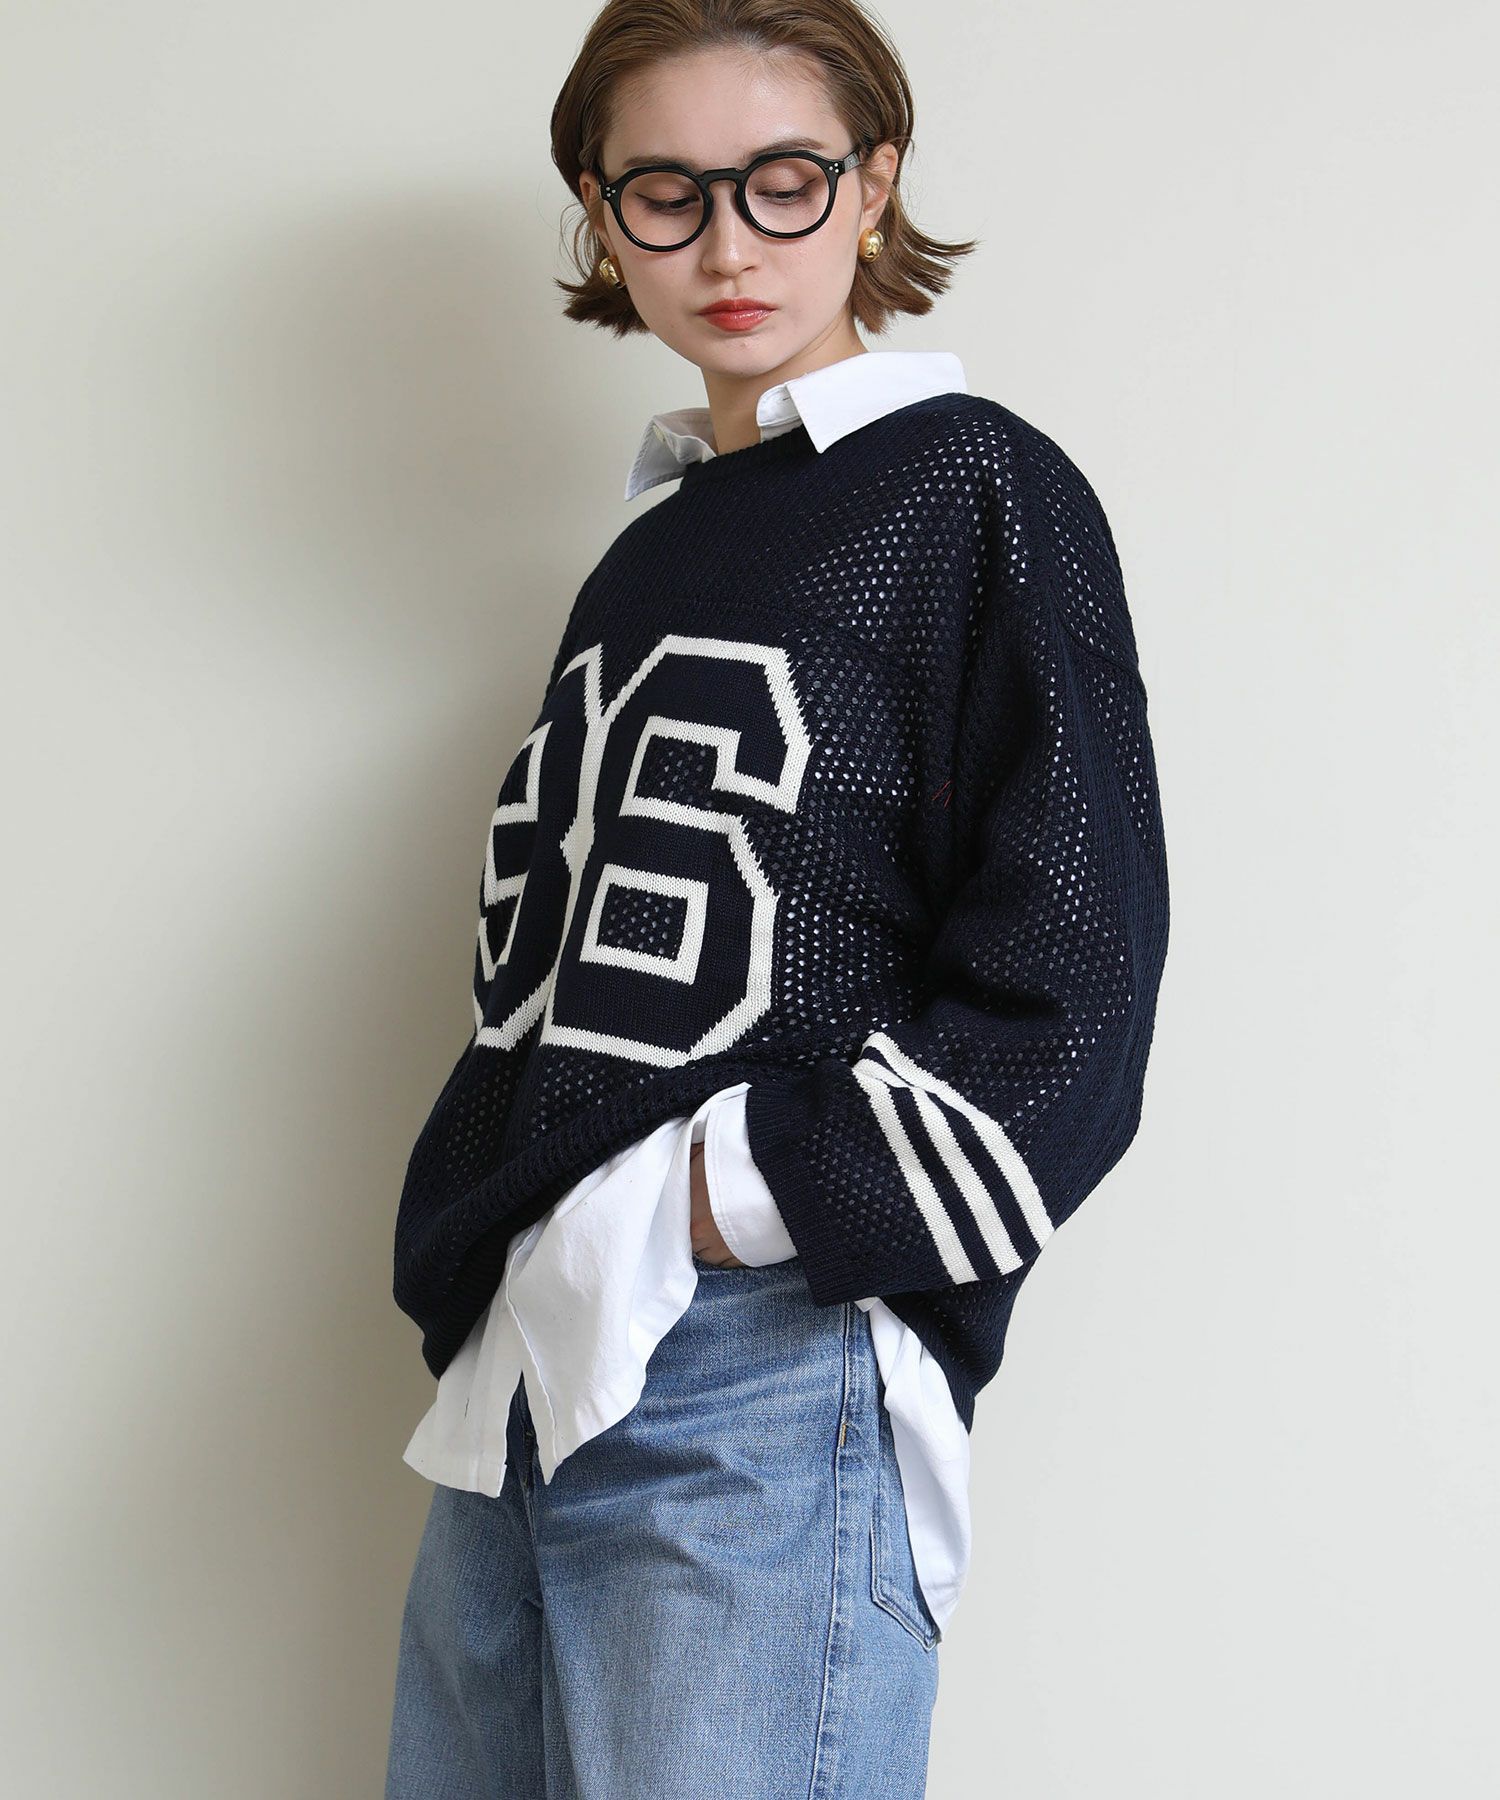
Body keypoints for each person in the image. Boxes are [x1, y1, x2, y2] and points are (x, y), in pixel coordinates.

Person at [385, 3, 1171, 1795]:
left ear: (874, 186)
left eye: (784, 180)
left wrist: (727, 1204)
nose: (729, 245)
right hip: (523, 1372)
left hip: (757, 1362)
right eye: (667, 192)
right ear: (603, 216)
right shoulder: (651, 550)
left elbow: (1078, 959)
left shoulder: (976, 486)